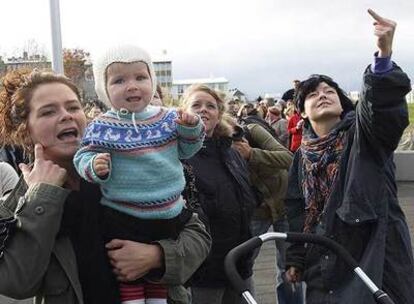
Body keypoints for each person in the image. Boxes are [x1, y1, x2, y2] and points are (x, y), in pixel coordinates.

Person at [0, 69, 211, 304]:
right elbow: (16, 282)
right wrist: (41, 197)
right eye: (48, 112)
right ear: (25, 131)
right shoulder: (17, 199)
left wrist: (157, 256)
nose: (66, 116)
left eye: (73, 107)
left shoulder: (129, 167)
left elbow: (199, 236)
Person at [285, 9, 414, 304]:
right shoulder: (300, 158)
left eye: (330, 90)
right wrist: (296, 259)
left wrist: (383, 57)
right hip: (323, 261)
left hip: (375, 254)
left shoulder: (364, 136)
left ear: (343, 105)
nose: (323, 94)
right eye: (312, 94)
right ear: (302, 112)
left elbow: (381, 112)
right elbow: (296, 211)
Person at [73, 44, 205, 304]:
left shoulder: (167, 118)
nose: (132, 85)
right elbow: (82, 155)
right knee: (129, 274)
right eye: (119, 80)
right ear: (104, 89)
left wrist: (192, 128)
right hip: (123, 214)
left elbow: (188, 151)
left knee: (156, 274)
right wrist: (94, 166)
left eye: (140, 77)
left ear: (152, 82)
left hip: (170, 212)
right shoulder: (102, 125)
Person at [181, 84, 257, 304]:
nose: (204, 109)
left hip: (240, 263)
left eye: (210, 106)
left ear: (219, 113)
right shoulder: (178, 154)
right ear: (184, 111)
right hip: (202, 270)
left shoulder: (231, 152)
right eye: (196, 105)